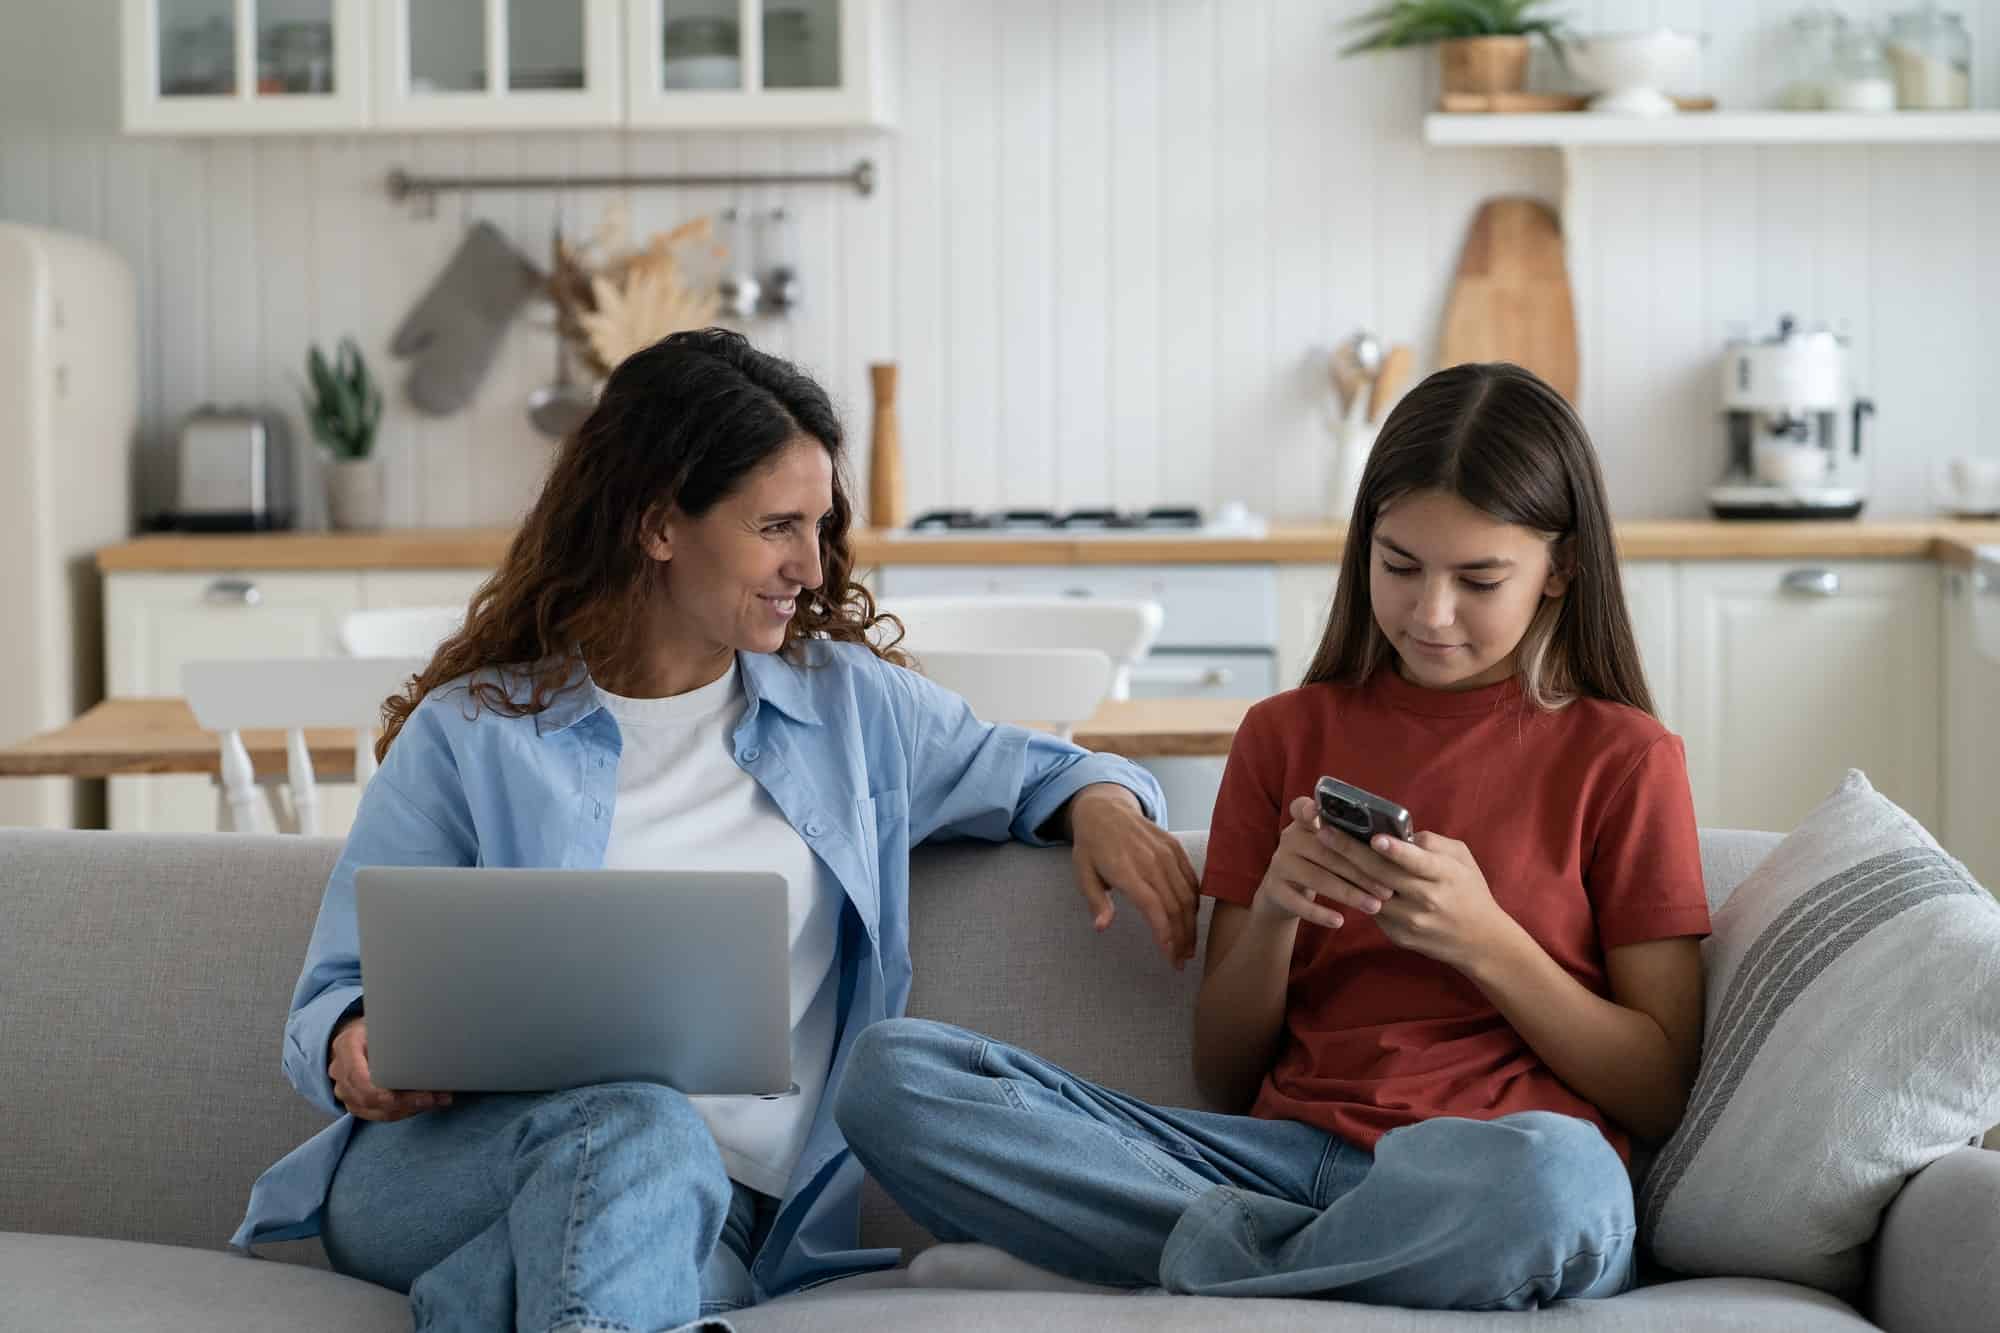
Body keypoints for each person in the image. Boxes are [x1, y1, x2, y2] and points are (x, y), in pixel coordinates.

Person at [230, 328, 1200, 1333]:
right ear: (658, 525)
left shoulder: (852, 713)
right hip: (459, 1167)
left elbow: (1045, 767)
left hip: (726, 1216)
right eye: (776, 526)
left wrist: (1102, 804)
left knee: (642, 1248)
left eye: (820, 526)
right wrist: (354, 1045)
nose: (810, 567)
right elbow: (331, 995)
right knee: (644, 1123)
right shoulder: (473, 734)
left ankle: (479, 1301)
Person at [835, 362, 1712, 1310]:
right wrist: (1282, 915)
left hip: (1491, 1173)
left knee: (1565, 1183)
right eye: (1401, 565)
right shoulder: (1285, 734)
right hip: (1276, 1163)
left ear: (1562, 569)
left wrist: (1488, 942)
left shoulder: (1626, 757)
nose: (1431, 612)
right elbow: (1223, 1070)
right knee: (892, 1078)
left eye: (1479, 578)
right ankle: (1288, 1261)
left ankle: (1157, 1260)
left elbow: (1658, 1086)